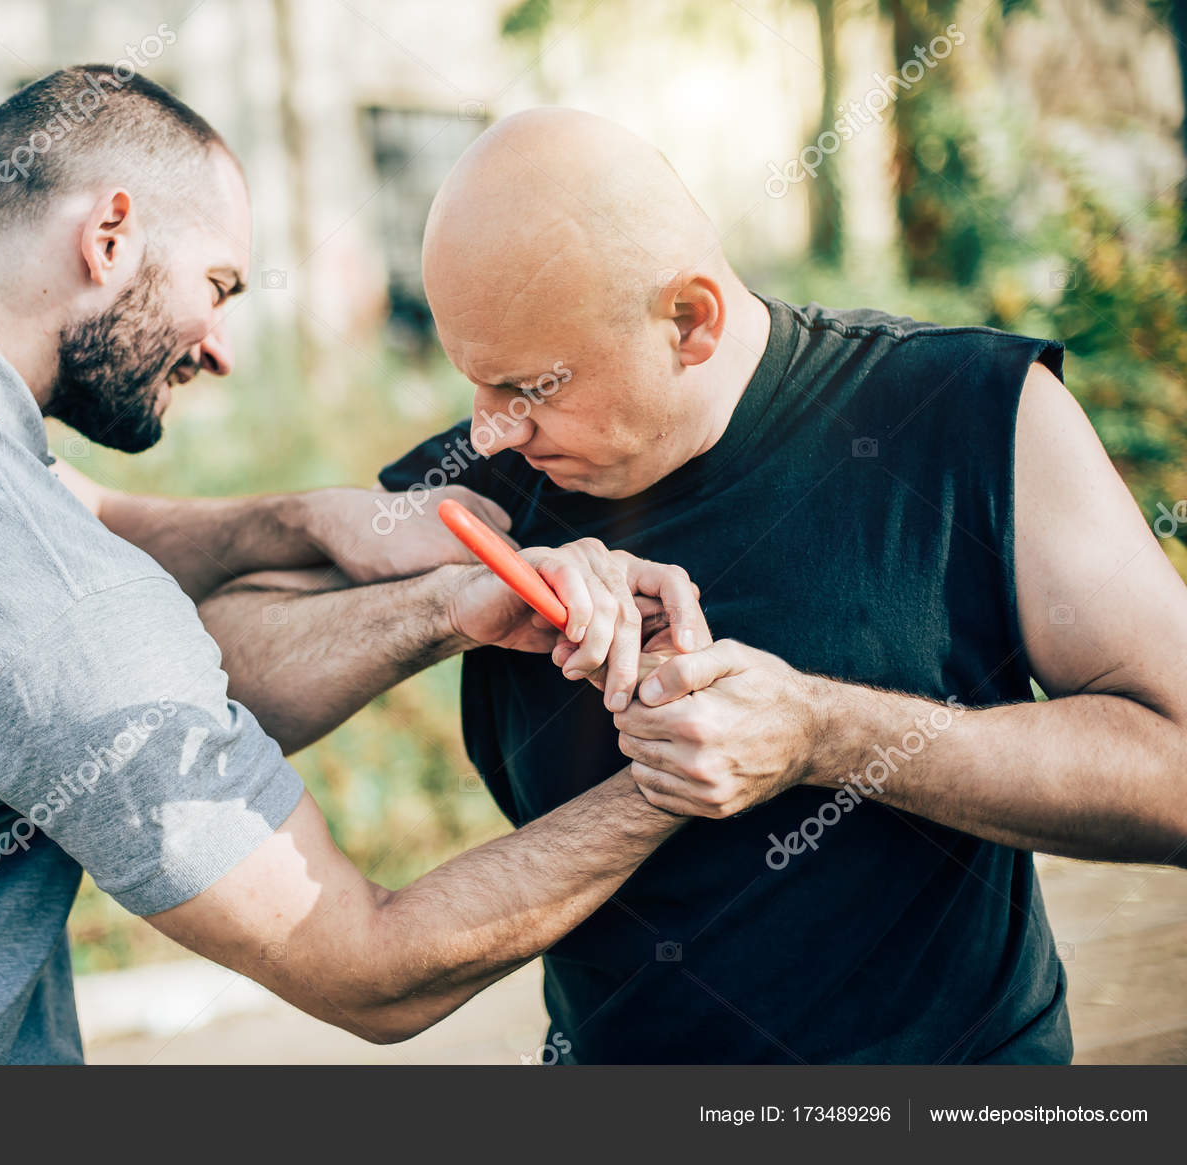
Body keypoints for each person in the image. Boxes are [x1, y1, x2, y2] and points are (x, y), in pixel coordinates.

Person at [0, 71, 707, 1065]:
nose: (221, 346)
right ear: (110, 235)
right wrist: (678, 772)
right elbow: (373, 966)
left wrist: (321, 527)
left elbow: (62, 508)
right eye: (219, 285)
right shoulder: (59, 613)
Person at [200, 108, 1187, 1063]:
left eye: (527, 386)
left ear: (688, 320)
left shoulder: (966, 415)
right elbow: (210, 669)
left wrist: (820, 731)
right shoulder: (489, 480)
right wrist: (440, 608)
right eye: (472, 381)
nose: (491, 426)